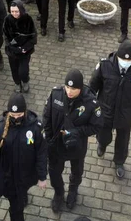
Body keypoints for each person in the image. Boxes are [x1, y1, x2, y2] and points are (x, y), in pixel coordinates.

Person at [43, 70, 103, 213]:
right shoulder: (56, 94)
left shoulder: (91, 102)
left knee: (77, 171)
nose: (69, 91)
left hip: (77, 146)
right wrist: (49, 137)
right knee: (54, 172)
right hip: (56, 145)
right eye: (67, 87)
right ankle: (58, 193)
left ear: (81, 88)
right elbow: (46, 116)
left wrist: (78, 132)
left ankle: (73, 191)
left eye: (74, 89)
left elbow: (97, 125)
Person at [90, 40, 131, 179]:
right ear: (117, 56)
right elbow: (93, 86)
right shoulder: (105, 66)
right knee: (104, 135)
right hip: (105, 110)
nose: (126, 62)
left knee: (123, 140)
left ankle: (119, 162)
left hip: (125, 113)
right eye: (123, 59)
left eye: (129, 60)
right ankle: (102, 144)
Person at [0, 94, 47, 221]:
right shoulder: (0, 127)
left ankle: (23, 195)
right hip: (9, 176)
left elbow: (41, 153)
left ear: (25, 111)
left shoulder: (36, 127)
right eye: (13, 115)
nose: (16, 118)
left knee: (21, 193)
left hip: (26, 174)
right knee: (16, 208)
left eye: (19, 114)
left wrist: (42, 176)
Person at [3, 0, 37, 93]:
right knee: (14, 69)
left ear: (21, 10)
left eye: (16, 11)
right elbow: (6, 37)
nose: (14, 14)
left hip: (24, 52)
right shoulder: (7, 20)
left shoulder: (28, 19)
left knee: (23, 71)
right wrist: (14, 48)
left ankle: (25, 81)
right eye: (12, 11)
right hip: (12, 51)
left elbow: (33, 37)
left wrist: (24, 48)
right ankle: (17, 83)